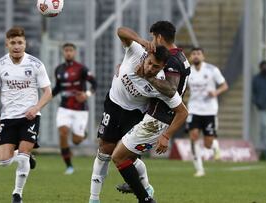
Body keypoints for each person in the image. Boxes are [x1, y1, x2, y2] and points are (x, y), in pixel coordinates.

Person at [89, 21, 188, 203]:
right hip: (114, 105)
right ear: (147, 54)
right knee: (106, 152)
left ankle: (144, 194)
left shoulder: (161, 84)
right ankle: (95, 199)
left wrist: (166, 136)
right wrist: (141, 41)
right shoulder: (138, 51)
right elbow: (121, 30)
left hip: (140, 114)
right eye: (150, 63)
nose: (150, 68)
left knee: (121, 156)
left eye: (156, 67)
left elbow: (180, 106)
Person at [0, 26, 52, 203]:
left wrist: (36, 107)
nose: (17, 46)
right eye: (13, 43)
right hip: (8, 118)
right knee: (3, 161)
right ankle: (27, 156)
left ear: (25, 44)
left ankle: (17, 194)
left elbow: (48, 92)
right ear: (7, 44)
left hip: (29, 117)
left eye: (20, 43)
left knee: (22, 156)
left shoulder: (36, 64)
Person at [52, 43, 97, 174]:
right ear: (63, 52)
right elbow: (58, 88)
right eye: (66, 50)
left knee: (76, 141)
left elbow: (94, 83)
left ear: (75, 52)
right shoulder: (58, 70)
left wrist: (86, 94)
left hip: (80, 109)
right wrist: (46, 98)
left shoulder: (81, 69)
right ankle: (69, 166)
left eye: (71, 50)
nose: (68, 53)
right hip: (64, 108)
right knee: (63, 132)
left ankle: (83, 135)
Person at [186, 47, 228, 177]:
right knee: (193, 137)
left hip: (209, 110)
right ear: (190, 57)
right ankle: (199, 169)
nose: (196, 56)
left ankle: (215, 146)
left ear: (203, 57)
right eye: (194, 54)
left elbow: (224, 85)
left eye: (198, 54)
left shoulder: (212, 70)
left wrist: (216, 92)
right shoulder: (188, 72)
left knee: (207, 144)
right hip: (193, 109)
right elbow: (184, 87)